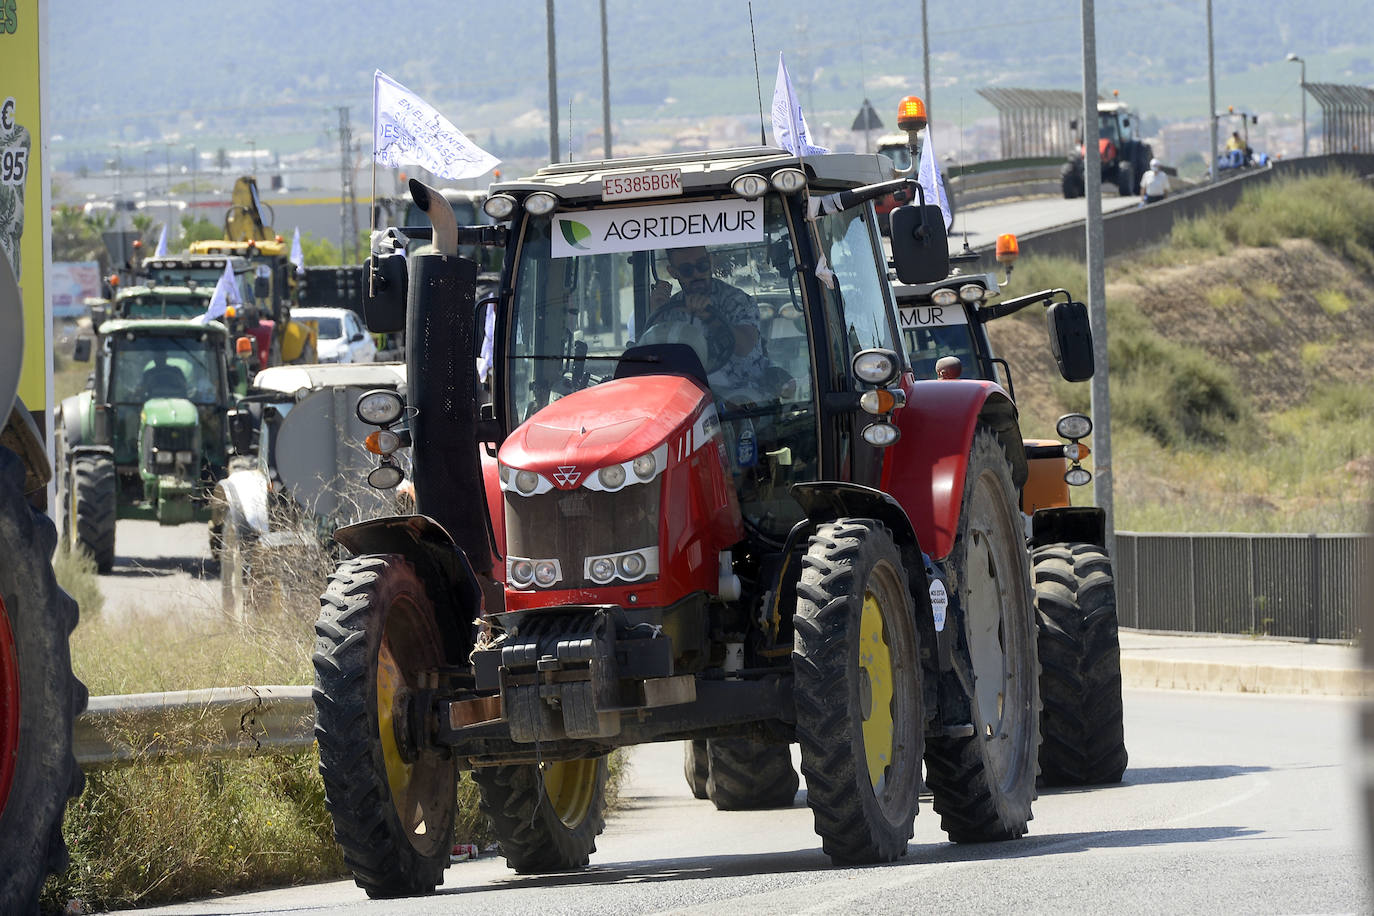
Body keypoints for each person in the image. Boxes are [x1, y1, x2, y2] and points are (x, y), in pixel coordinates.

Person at [646, 246, 766, 393]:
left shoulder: (738, 301)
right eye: (687, 270)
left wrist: (710, 317)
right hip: (688, 397)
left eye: (702, 265)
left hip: (743, 399)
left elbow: (745, 347)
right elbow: (654, 360)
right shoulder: (669, 310)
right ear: (673, 272)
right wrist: (656, 312)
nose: (697, 274)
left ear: (710, 261)